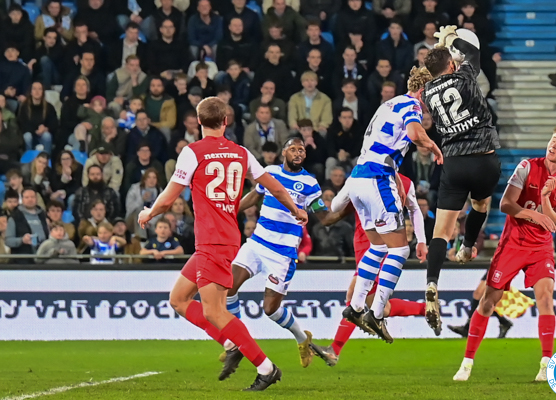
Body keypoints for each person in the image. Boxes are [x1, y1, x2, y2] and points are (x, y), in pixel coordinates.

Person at [137, 97, 308, 390]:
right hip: (224, 238)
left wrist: (148, 212)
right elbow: (275, 187)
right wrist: (296, 210)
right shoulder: (241, 153)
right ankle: (231, 343)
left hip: (212, 241)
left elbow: (167, 200)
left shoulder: (193, 152)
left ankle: (266, 367)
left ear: (198, 123)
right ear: (225, 121)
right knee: (178, 298)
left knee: (213, 311)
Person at [452, 127, 556, 382]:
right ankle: (466, 363)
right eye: (552, 140)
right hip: (513, 244)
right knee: (488, 301)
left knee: (546, 298)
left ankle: (546, 364)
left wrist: (545, 198)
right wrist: (533, 214)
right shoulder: (527, 166)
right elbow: (506, 204)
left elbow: (555, 224)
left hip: (541, 247)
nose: (553, 145)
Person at [341, 67, 442, 342]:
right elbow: (414, 132)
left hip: (358, 177)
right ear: (424, 90)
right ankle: (376, 313)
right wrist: (433, 147)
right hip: (379, 178)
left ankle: (355, 306)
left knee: (378, 247)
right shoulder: (412, 105)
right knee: (400, 250)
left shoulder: (390, 103)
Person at [421, 26, 501, 334]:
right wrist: (451, 38)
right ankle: (467, 247)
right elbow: (473, 52)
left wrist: (441, 47)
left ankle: (431, 282)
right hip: (483, 158)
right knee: (480, 205)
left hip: (453, 163)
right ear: (451, 65)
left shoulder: (428, 92)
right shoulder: (465, 76)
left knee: (440, 232)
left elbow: (436, 70)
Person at [227, 137, 328, 368]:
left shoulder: (310, 183)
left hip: (282, 253)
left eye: (301, 150)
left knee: (270, 310)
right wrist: (231, 211)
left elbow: (321, 213)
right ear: (284, 152)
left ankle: (302, 338)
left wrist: (342, 207)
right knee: (228, 287)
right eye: (293, 149)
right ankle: (237, 342)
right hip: (257, 243)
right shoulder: (270, 172)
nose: (298, 153)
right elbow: (255, 195)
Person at [310, 172, 429, 366]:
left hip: (378, 249)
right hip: (364, 248)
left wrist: (313, 201)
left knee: (354, 295)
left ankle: (334, 350)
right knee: (378, 304)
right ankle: (425, 309)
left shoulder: (367, 179)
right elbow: (332, 215)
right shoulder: (368, 179)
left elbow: (331, 215)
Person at [5, 187, 49, 264]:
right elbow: (8, 241)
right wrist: (22, 240)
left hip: (43, 260)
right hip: (23, 261)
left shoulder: (42, 215)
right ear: (22, 200)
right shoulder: (15, 217)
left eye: (32, 197)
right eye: (27, 197)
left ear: (36, 199)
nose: (30, 199)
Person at [325, 107, 363, 179]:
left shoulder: (358, 129)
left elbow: (359, 147)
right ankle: (328, 184)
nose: (347, 120)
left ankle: (358, 183)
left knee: (359, 161)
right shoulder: (333, 128)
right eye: (344, 118)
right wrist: (337, 154)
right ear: (340, 119)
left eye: (349, 117)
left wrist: (348, 154)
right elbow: (329, 147)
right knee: (330, 161)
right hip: (337, 156)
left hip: (352, 156)